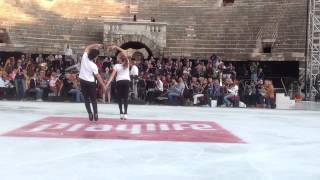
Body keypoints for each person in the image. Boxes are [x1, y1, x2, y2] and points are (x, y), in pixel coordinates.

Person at [79, 44, 106, 122]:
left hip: (83, 81)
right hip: (91, 83)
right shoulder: (93, 65)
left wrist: (96, 45)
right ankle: (96, 114)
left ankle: (90, 113)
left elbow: (87, 47)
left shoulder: (84, 57)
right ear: (95, 57)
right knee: (93, 99)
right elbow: (98, 77)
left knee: (86, 99)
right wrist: (103, 85)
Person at [106, 45, 131, 120]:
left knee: (119, 98)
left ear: (119, 59)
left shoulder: (116, 66)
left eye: (117, 57)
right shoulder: (127, 63)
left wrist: (107, 84)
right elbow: (125, 52)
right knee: (126, 98)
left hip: (119, 82)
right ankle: (125, 114)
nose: (116, 58)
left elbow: (112, 76)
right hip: (126, 81)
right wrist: (116, 47)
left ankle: (121, 113)